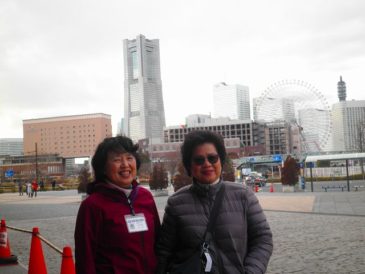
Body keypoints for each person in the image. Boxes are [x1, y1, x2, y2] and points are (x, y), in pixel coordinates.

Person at [156, 131, 273, 274]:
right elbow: (164, 252)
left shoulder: (243, 195)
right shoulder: (176, 203)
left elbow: (263, 239)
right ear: (189, 166)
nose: (207, 164)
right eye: (199, 160)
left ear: (220, 161)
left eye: (212, 158)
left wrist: (252, 271)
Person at [74, 135, 161, 274]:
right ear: (103, 168)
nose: (125, 165)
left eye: (129, 158)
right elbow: (85, 258)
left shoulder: (145, 197)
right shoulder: (92, 205)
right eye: (117, 160)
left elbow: (158, 241)